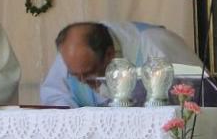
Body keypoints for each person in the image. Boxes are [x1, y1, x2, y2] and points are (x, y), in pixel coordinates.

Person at [40, 21, 201, 107]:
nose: (82, 81)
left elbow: (197, 93)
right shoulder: (72, 53)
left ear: (109, 54)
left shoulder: (154, 44)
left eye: (89, 73)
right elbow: (55, 95)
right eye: (75, 75)